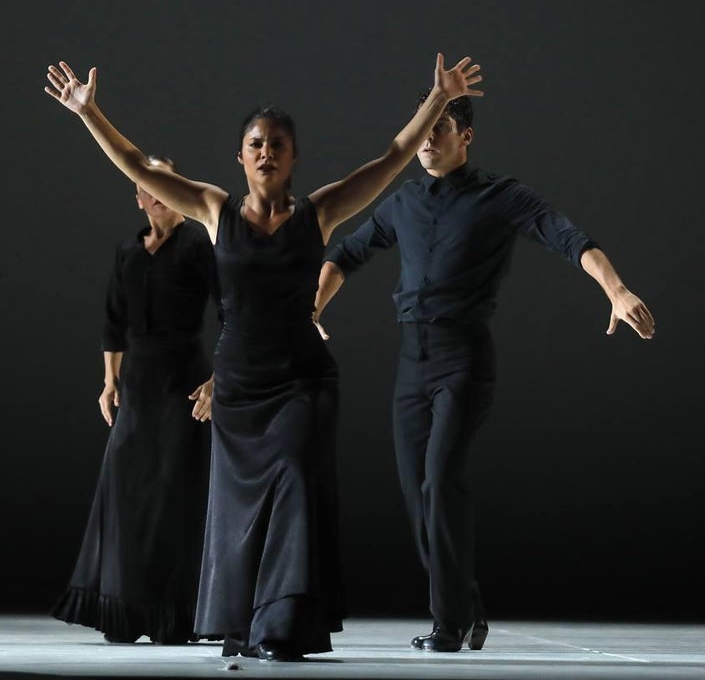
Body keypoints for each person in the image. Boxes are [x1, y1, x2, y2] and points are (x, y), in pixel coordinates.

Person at [43, 52, 483, 661]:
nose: (266, 152)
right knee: (237, 509)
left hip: (303, 381)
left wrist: (436, 101)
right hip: (242, 389)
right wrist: (90, 113)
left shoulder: (319, 213)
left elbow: (390, 158)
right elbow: (137, 163)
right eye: (255, 144)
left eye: (278, 144)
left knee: (295, 482)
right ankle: (245, 624)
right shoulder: (213, 210)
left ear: (293, 157)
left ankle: (284, 626)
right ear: (240, 156)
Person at [313, 91, 656, 653]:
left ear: (465, 136)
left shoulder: (501, 196)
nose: (426, 140)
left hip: (463, 357)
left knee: (441, 480)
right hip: (411, 360)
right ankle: (466, 606)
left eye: (440, 128)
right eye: (422, 130)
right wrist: (312, 306)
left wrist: (615, 290)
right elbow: (347, 253)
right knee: (415, 493)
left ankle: (447, 623)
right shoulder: (403, 200)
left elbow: (568, 236)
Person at [51, 155, 221, 645]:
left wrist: (218, 380)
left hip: (183, 377)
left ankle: (173, 615)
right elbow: (113, 321)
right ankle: (125, 611)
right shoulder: (128, 248)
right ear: (140, 194)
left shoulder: (198, 245)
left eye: (168, 180)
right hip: (138, 381)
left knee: (173, 493)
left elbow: (231, 310)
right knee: (126, 494)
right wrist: (109, 381)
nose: (160, 189)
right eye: (150, 182)